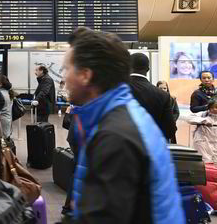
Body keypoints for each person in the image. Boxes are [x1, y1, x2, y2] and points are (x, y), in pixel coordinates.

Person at [62, 27, 184, 223]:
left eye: (67, 69)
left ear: (85, 75)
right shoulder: (122, 116)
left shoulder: (115, 137)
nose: (64, 77)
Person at [130, 53, 177, 142]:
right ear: (148, 69)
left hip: (122, 147)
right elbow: (170, 130)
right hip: (151, 146)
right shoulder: (163, 95)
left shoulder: (116, 89)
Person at [187, 97, 217, 164]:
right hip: (202, 149)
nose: (214, 109)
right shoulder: (203, 115)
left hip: (216, 153)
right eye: (211, 107)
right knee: (202, 171)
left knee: (214, 172)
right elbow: (189, 118)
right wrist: (203, 121)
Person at [0, 74, 14, 139]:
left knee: (3, 141)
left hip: (2, 120)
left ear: (0, 84)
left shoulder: (1, 94)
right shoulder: (7, 92)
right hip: (7, 119)